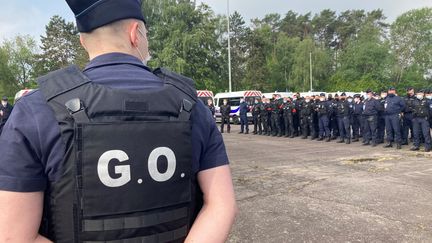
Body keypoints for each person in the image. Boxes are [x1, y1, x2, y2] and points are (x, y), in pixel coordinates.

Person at [0, 1, 237, 242]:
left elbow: (13, 236)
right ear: (135, 34)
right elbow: (221, 205)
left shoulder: (35, 111)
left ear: (84, 41)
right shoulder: (192, 106)